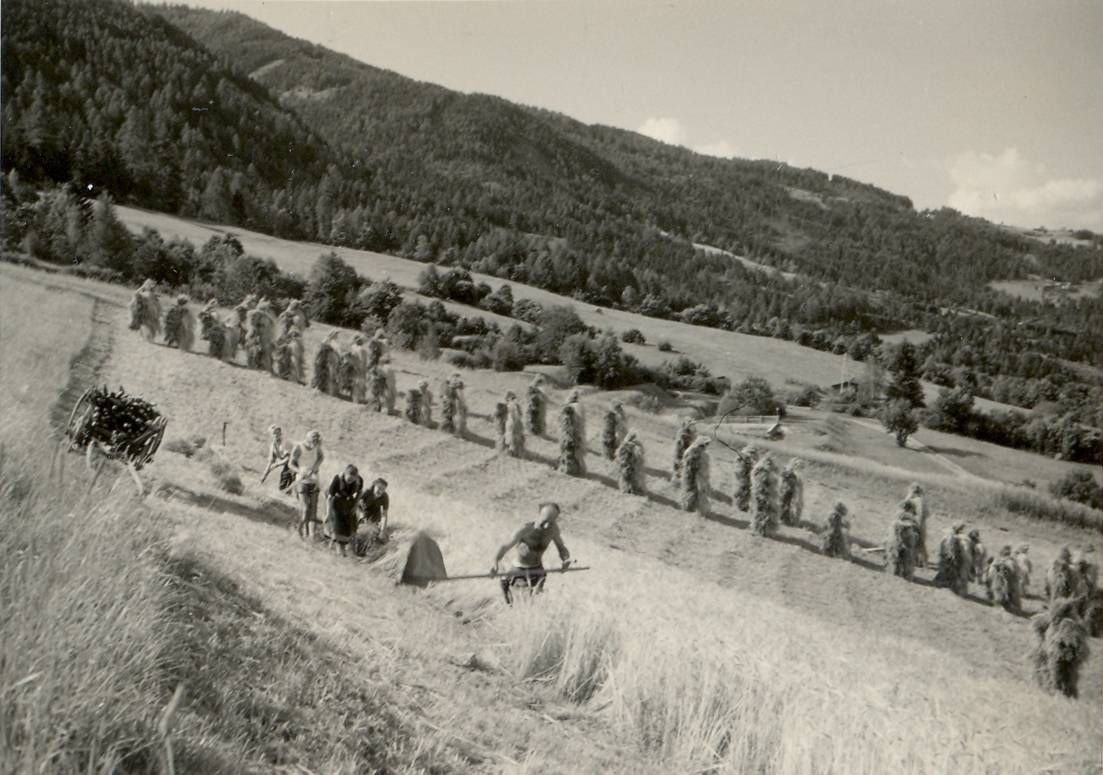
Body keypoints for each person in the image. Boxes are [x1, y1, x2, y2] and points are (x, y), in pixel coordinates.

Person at [492, 502, 572, 604]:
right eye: (544, 521)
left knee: (533, 603)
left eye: (551, 522)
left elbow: (562, 548)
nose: (547, 525)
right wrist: (495, 562)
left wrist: (566, 560)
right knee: (521, 603)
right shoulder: (526, 528)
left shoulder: (553, 529)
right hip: (520, 570)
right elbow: (505, 546)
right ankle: (506, 581)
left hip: (538, 570)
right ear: (539, 515)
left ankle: (506, 583)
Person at [289, 430, 325, 539]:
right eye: (313, 440)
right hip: (302, 481)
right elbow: (290, 464)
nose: (315, 443)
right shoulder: (298, 447)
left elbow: (321, 457)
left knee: (313, 510)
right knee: (305, 509)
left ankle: (311, 536)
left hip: (314, 480)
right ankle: (299, 531)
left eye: (317, 440)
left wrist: (315, 468)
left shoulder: (317, 447)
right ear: (308, 438)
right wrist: (300, 471)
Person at [326, 464, 363, 556]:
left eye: (352, 480)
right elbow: (329, 498)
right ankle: (340, 551)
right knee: (338, 525)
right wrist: (328, 513)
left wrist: (355, 506)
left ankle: (350, 549)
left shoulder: (359, 480)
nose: (350, 482)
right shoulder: (337, 479)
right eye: (348, 479)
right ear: (345, 474)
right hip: (336, 501)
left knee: (351, 526)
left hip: (348, 502)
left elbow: (360, 492)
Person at [357, 478, 390, 542]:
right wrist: (361, 515)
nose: (380, 491)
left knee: (374, 533)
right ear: (374, 486)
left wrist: (383, 531)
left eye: (383, 489)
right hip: (362, 513)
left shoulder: (385, 496)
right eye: (379, 488)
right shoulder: (366, 492)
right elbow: (355, 505)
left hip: (375, 516)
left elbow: (384, 515)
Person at [265, 425, 293, 491]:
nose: (275, 435)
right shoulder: (273, 446)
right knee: (283, 483)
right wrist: (265, 475)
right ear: (270, 435)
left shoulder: (286, 442)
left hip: (296, 462)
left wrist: (277, 464)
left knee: (290, 479)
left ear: (280, 433)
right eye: (273, 434)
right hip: (287, 465)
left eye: (277, 433)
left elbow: (287, 459)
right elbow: (270, 462)